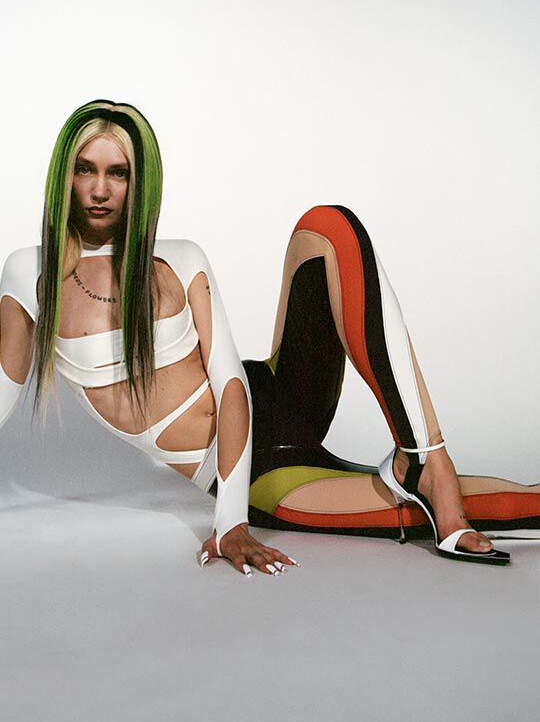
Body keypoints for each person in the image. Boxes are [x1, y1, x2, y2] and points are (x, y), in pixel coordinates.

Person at [1, 101, 537, 576]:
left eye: (118, 173)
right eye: (85, 170)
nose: (100, 189)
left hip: (276, 392)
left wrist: (227, 522)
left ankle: (425, 458)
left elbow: (231, 384)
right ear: (63, 177)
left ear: (140, 183)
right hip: (263, 471)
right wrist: (238, 510)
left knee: (328, 225)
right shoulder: (29, 275)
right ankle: (426, 478)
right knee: (498, 505)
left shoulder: (181, 258)